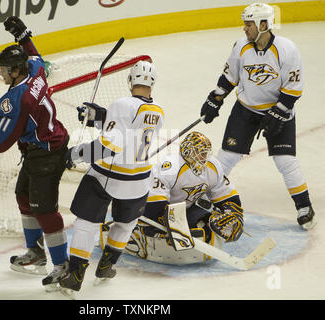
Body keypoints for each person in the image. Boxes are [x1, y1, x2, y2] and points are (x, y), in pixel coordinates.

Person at [0, 16, 69, 290]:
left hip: (47, 153)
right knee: (23, 196)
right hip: (40, 147)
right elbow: (35, 55)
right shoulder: (36, 71)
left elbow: (0, 141)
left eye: (5, 70)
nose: (1, 74)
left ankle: (63, 267)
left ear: (17, 71)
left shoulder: (17, 100)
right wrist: (24, 36)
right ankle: (36, 251)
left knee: (45, 211)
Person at [200, 3, 315, 230]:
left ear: (264, 24)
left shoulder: (287, 49)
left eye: (249, 24)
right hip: (245, 110)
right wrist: (216, 98)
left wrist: (279, 111)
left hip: (280, 111)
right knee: (227, 157)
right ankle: (204, 197)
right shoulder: (241, 46)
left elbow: (293, 88)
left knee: (285, 161)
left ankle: (304, 206)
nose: (245, 28)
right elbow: (230, 75)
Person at [60, 60, 163, 297]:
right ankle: (107, 266)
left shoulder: (122, 103)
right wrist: (100, 118)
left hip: (109, 177)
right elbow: (131, 130)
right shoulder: (158, 110)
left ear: (130, 80)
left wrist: (76, 153)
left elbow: (111, 144)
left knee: (86, 222)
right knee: (126, 223)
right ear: (153, 84)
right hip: (139, 180)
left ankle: (75, 274)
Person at [101, 131, 244, 265]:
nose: (203, 157)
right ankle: (135, 233)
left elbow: (226, 194)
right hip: (148, 207)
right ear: (187, 152)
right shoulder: (171, 167)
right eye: (199, 153)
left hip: (181, 209)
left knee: (207, 223)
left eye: (205, 153)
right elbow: (154, 204)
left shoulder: (213, 167)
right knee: (157, 230)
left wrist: (233, 211)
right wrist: (168, 222)